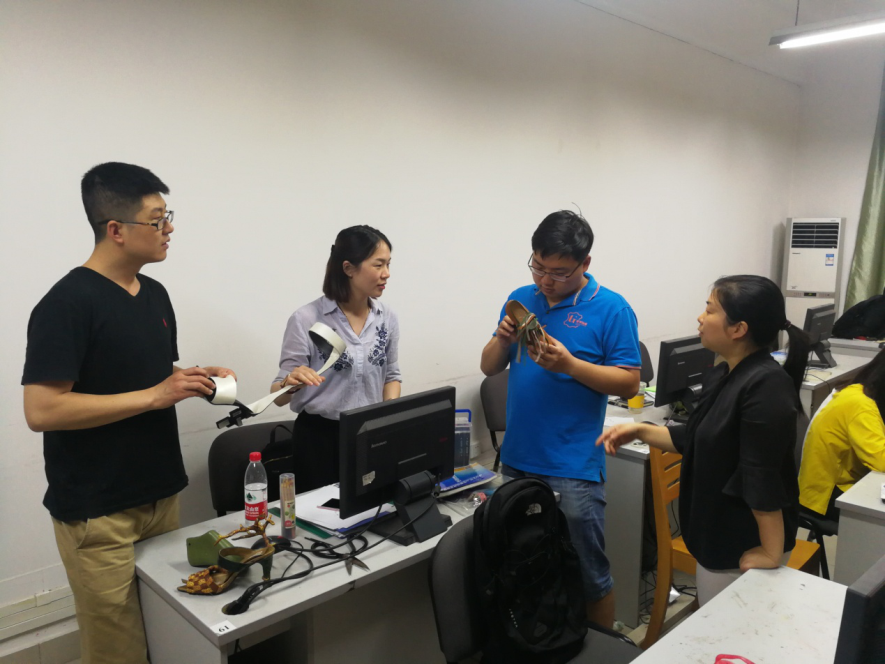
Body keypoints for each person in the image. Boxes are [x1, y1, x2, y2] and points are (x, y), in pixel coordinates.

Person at [22, 162, 235, 664]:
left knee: (171, 631)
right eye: (157, 220)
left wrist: (188, 378)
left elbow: (143, 374)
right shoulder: (66, 303)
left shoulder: (154, 294)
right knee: (117, 652)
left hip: (160, 494)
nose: (169, 229)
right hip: (99, 513)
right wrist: (157, 395)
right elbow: (42, 409)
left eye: (168, 217)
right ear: (116, 229)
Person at [597, 275, 811, 606]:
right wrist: (640, 431)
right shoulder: (723, 374)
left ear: (738, 329)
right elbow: (702, 437)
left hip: (743, 542)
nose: (700, 318)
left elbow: (761, 474)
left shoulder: (765, 386)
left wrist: (770, 550)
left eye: (710, 310)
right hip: (715, 533)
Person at [480, 210, 641, 627]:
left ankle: (600, 649)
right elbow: (489, 367)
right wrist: (501, 340)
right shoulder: (522, 298)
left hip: (572, 467)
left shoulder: (612, 309)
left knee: (589, 577)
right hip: (517, 459)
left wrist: (570, 365)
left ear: (585, 263)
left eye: (559, 273)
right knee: (525, 568)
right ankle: (543, 644)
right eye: (538, 267)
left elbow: (629, 384)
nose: (545, 281)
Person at [271, 225, 401, 494]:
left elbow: (391, 375)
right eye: (378, 265)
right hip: (319, 440)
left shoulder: (386, 317)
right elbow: (277, 396)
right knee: (321, 513)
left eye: (388, 264)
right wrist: (291, 383)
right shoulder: (306, 319)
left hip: (370, 433)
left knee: (373, 507)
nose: (386, 274)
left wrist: (388, 416)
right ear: (349, 268)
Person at [799, 349, 885, 520]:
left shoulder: (858, 390)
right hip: (826, 496)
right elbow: (881, 460)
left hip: (832, 485)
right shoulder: (861, 405)